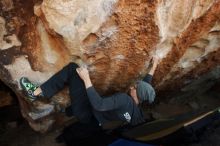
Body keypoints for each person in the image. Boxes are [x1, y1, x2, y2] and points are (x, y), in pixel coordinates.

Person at [20, 56, 159, 143]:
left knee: (72, 69)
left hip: (88, 112)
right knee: (79, 103)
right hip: (95, 121)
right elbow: (146, 85)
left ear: (137, 93)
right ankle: (68, 111)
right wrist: (154, 65)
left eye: (136, 86)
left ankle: (36, 92)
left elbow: (99, 104)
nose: (133, 85)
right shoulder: (137, 114)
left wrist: (86, 78)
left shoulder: (124, 100)